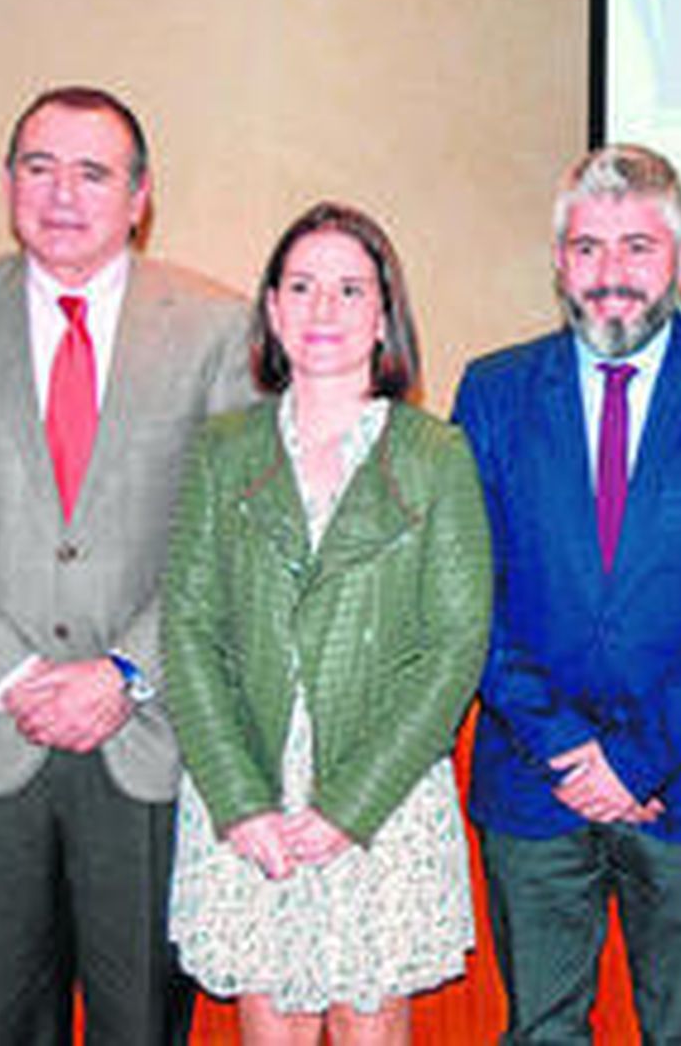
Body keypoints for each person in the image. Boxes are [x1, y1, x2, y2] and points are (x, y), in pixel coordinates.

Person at [0, 85, 254, 1043]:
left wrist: (125, 672)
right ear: (7, 186)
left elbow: (231, 535)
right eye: (39, 168)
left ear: (139, 196)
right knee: (0, 1016)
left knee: (142, 1020)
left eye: (94, 172)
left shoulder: (217, 323)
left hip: (146, 737)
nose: (63, 194)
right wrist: (7, 670)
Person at [453, 144, 681, 1044]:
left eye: (638, 248)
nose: (612, 275)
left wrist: (639, 757)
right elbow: (464, 591)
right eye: (587, 248)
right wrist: (569, 744)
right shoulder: (492, 393)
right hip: (536, 782)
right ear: (559, 261)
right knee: (540, 1031)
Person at [159, 201, 490, 1044]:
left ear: (385, 314)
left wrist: (348, 806)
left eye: (350, 289)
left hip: (378, 800)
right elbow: (190, 629)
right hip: (251, 793)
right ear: (271, 308)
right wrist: (241, 804)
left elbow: (455, 647)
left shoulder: (435, 455)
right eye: (301, 286)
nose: (323, 309)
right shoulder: (223, 449)